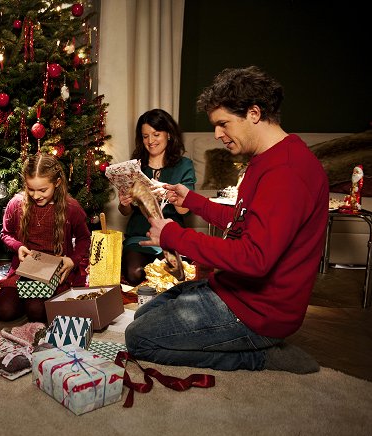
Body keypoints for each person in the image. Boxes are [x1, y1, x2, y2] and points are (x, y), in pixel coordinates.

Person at [125, 66, 328, 373]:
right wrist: (191, 200)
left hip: (258, 313)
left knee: (138, 339)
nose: (217, 134)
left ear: (254, 113)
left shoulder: (286, 173)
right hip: (232, 289)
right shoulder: (264, 158)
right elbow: (244, 220)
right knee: (143, 317)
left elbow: (255, 258)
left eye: (223, 123)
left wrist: (175, 236)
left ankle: (259, 356)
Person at [0, 153, 91, 322]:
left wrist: (73, 260)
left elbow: (84, 238)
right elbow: (6, 233)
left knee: (36, 311)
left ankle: (34, 304)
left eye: (42, 190)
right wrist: (18, 247)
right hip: (24, 271)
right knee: (4, 310)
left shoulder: (71, 207)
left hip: (56, 271)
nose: (36, 195)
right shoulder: (17, 204)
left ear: (57, 183)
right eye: (30, 189)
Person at [118, 109, 196, 285]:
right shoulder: (135, 166)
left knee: (174, 277)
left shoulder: (184, 165)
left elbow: (185, 210)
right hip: (139, 235)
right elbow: (124, 211)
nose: (150, 141)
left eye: (156, 134)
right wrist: (124, 203)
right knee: (134, 274)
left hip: (171, 235)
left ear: (168, 134)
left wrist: (172, 195)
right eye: (145, 136)